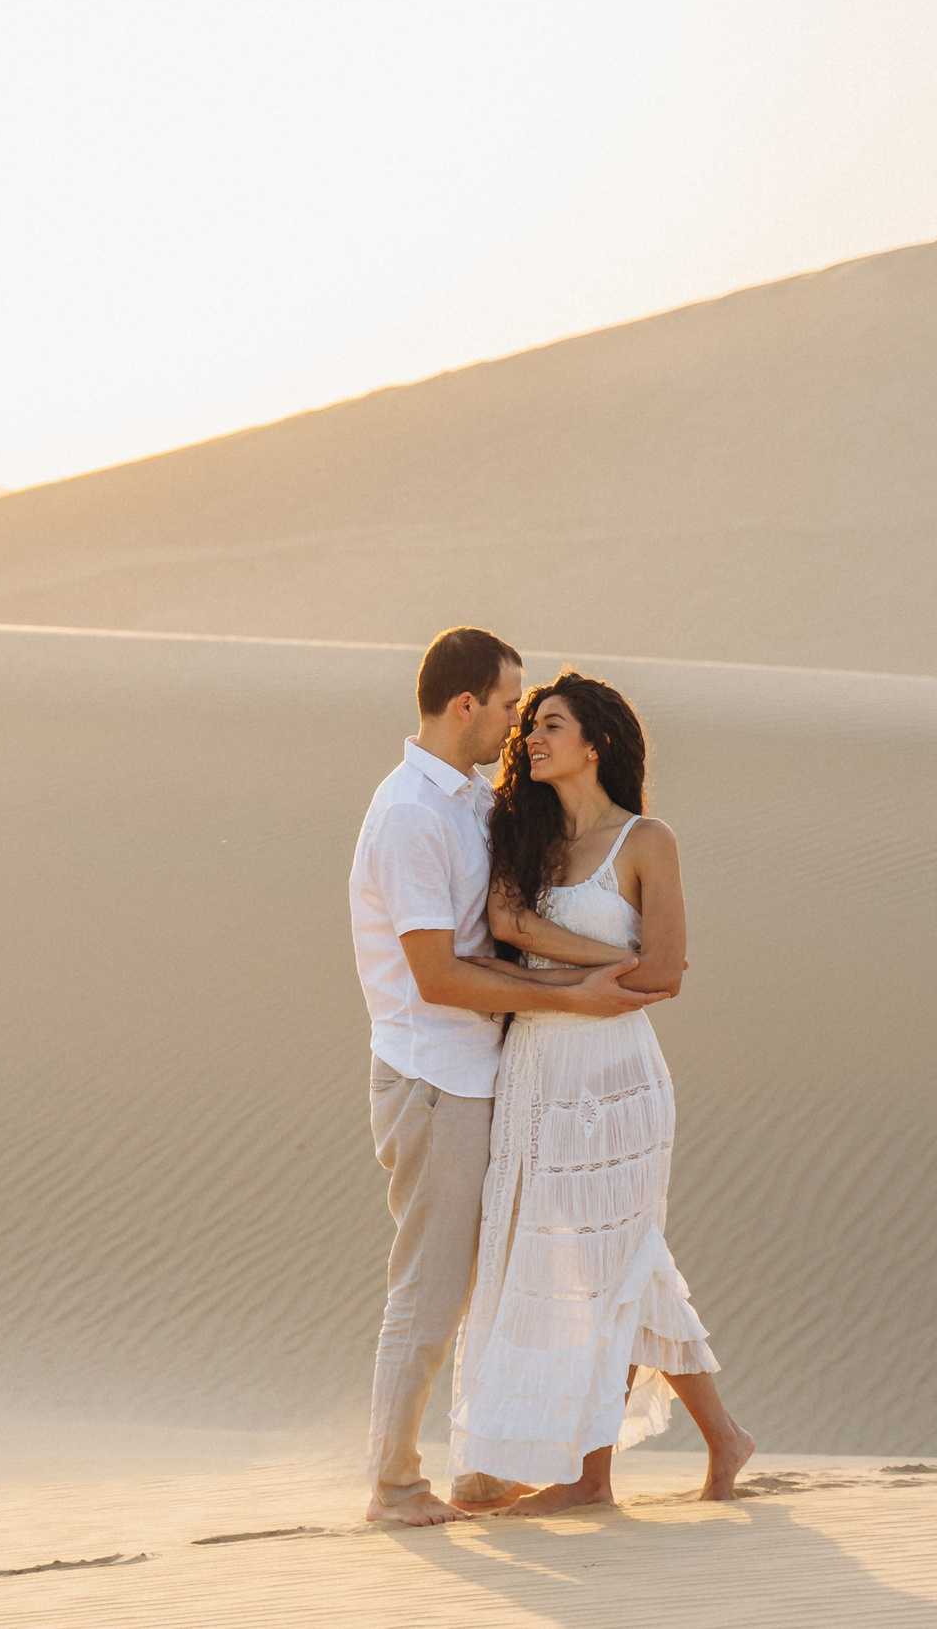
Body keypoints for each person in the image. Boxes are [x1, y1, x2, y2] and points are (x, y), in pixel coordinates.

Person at [349, 629, 672, 1527]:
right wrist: (575, 993)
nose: (516, 722)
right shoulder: (410, 812)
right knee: (433, 1280)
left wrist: (585, 970)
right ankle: (395, 1484)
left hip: (486, 1073)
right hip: (434, 1077)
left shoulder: (467, 802)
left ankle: (484, 1468)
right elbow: (439, 974)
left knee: (497, 1274)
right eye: (506, 703)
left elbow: (501, 919)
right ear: (465, 705)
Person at [449, 669, 756, 1508]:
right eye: (530, 725)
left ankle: (591, 1477)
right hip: (539, 1068)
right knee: (602, 1258)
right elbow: (508, 924)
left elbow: (665, 971)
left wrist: (581, 965)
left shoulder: (647, 839)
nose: (531, 737)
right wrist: (593, 964)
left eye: (550, 723)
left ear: (598, 742)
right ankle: (725, 1439)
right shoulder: (526, 831)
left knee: (607, 1261)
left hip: (617, 1076)